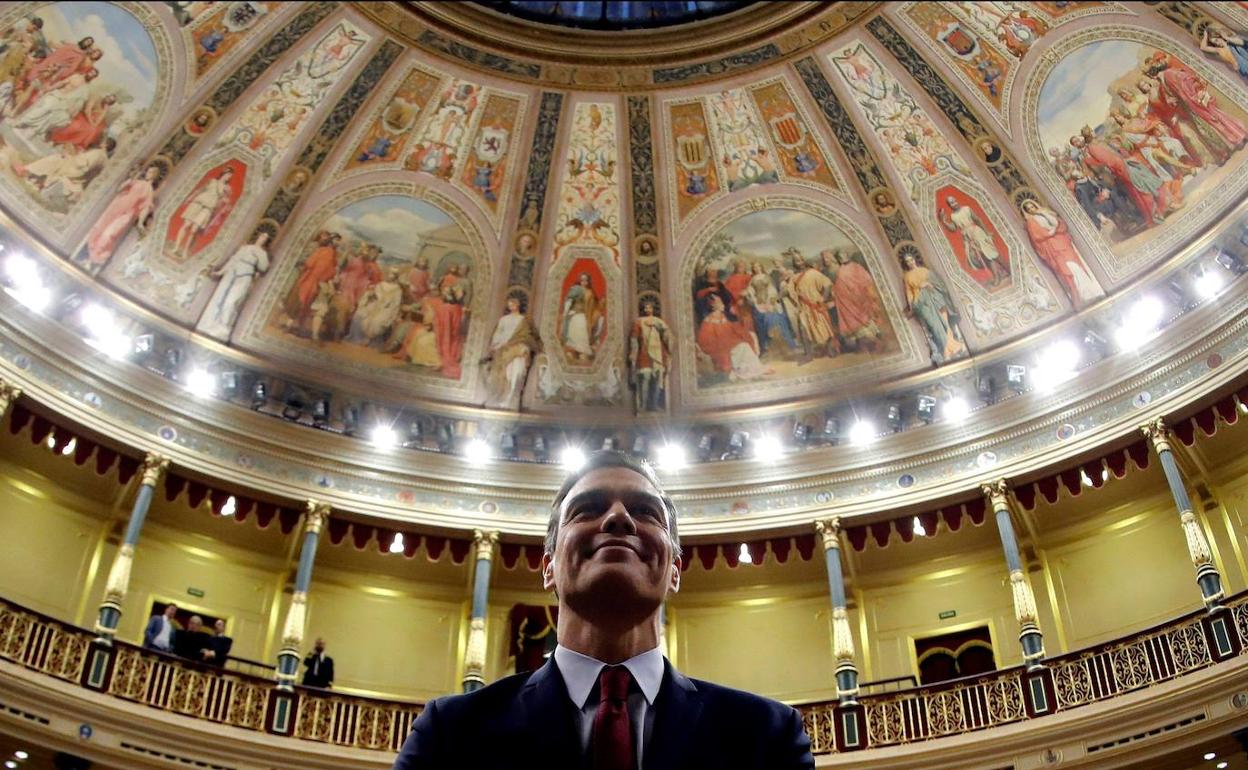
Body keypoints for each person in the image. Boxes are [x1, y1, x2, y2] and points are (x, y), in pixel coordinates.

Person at [392, 451, 813, 769]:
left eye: (646, 511)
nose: (618, 518)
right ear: (548, 568)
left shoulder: (765, 735)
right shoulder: (451, 732)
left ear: (675, 572)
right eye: (588, 509)